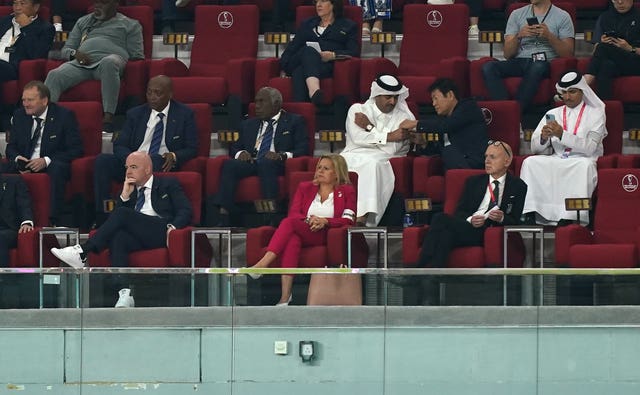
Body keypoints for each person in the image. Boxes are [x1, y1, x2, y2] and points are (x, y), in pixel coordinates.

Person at [50, 151, 193, 308]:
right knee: (119, 238)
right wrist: (124, 196)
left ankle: (82, 251)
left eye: (133, 167)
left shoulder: (168, 183)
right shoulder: (129, 190)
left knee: (122, 213)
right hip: (138, 235)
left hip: (161, 230)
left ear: (147, 169)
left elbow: (185, 210)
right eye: (126, 168)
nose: (128, 172)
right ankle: (125, 292)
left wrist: (172, 228)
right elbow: (115, 222)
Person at [399, 141, 527, 304]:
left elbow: (515, 220)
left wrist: (501, 218)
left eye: (493, 157)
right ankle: (431, 285)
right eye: (486, 156)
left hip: (490, 233)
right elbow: (460, 212)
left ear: (507, 161)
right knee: (443, 229)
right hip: (470, 227)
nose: (487, 161)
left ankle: (417, 276)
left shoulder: (518, 186)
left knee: (441, 224)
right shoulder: (474, 182)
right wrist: (470, 219)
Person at [247, 154, 356, 306]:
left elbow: (349, 219)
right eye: (319, 167)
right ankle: (285, 298)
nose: (320, 171)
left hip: (327, 235)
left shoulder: (346, 191)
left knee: (289, 224)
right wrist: (309, 220)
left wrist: (325, 221)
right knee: (292, 239)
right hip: (305, 229)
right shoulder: (305, 188)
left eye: (326, 168)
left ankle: (262, 265)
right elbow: (295, 213)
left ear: (337, 173)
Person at [93, 75, 197, 227]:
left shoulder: (185, 114)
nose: (152, 97)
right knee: (102, 161)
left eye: (158, 93)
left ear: (170, 94)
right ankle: (101, 218)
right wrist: (133, 160)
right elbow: (120, 145)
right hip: (132, 161)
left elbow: (192, 148)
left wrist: (174, 155)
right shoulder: (135, 114)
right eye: (149, 92)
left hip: (160, 162)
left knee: (153, 159)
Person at [205, 87, 309, 227]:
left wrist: (281, 155)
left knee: (266, 163)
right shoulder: (248, 124)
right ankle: (227, 213)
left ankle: (270, 217)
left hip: (277, 163)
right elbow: (234, 147)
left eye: (262, 102)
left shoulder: (294, 121)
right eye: (256, 102)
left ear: (276, 104)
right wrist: (240, 153)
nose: (257, 106)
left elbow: (303, 149)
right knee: (229, 165)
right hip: (252, 162)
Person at [520, 70, 607, 225]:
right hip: (558, 157)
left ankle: (572, 216)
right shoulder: (552, 113)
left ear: (583, 91)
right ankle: (530, 211)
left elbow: (590, 148)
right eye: (564, 93)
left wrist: (561, 135)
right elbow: (535, 149)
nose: (567, 97)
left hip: (583, 158)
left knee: (584, 166)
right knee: (530, 162)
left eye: (572, 92)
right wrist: (543, 137)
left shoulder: (596, 113)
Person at [44, 0, 144, 131]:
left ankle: (108, 117)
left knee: (109, 62)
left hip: (109, 62)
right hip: (81, 64)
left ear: (115, 4)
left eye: (103, 3)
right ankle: (45, 118)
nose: (97, 6)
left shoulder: (130, 25)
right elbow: (66, 50)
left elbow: (136, 55)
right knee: (54, 75)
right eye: (96, 2)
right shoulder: (83, 22)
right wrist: (75, 55)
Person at [340, 74, 415, 227]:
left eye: (395, 97)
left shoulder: (404, 117)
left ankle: (362, 217)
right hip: (352, 153)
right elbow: (358, 138)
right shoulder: (358, 109)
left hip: (382, 158)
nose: (393, 102)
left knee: (372, 164)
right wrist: (389, 136)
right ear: (376, 95)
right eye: (388, 97)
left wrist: (369, 127)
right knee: (336, 162)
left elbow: (391, 149)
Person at [6, 80, 83, 226]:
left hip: (52, 164)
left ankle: (51, 220)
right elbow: (11, 147)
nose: (25, 104)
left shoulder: (64, 116)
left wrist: (46, 160)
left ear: (44, 100)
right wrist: (18, 159)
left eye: (30, 100)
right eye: (23, 100)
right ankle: (7, 221)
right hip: (25, 163)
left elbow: (76, 149)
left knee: (57, 168)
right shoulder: (19, 115)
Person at [481, 0, 574, 111]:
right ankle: (506, 109)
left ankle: (515, 112)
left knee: (537, 66)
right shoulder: (516, 14)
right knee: (489, 67)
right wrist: (519, 35)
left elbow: (568, 53)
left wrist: (549, 36)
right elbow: (507, 54)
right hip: (520, 61)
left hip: (545, 62)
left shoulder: (562, 16)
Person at [399, 78, 488, 171]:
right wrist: (424, 143)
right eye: (432, 100)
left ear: (450, 95)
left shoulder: (468, 107)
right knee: (445, 153)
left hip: (474, 163)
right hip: (453, 163)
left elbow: (448, 125)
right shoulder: (443, 120)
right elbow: (438, 149)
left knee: (448, 151)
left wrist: (415, 123)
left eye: (436, 98)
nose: (433, 104)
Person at [279, 0, 358, 104]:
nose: (318, 5)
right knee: (308, 50)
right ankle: (314, 91)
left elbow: (354, 52)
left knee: (299, 71)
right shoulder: (307, 24)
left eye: (323, 1)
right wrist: (283, 67)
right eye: (316, 2)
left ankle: (301, 109)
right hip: (296, 61)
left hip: (324, 66)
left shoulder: (348, 26)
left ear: (333, 4)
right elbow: (292, 48)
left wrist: (333, 55)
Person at [585, 0, 640, 100]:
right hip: (615, 62)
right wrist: (601, 43)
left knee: (603, 48)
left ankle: (586, 81)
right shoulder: (605, 18)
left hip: (636, 61)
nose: (619, 2)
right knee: (606, 66)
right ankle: (605, 107)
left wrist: (630, 48)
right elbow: (595, 53)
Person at [0, 0, 54, 85]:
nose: (17, 8)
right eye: (15, 3)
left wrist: (26, 27)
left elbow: (36, 54)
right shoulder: (3, 21)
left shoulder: (45, 28)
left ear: (36, 7)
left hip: (14, 67)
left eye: (22, 3)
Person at [0, 174, 34, 267]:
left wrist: (26, 221)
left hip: (8, 229)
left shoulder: (14, 181)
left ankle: (3, 279)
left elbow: (24, 204)